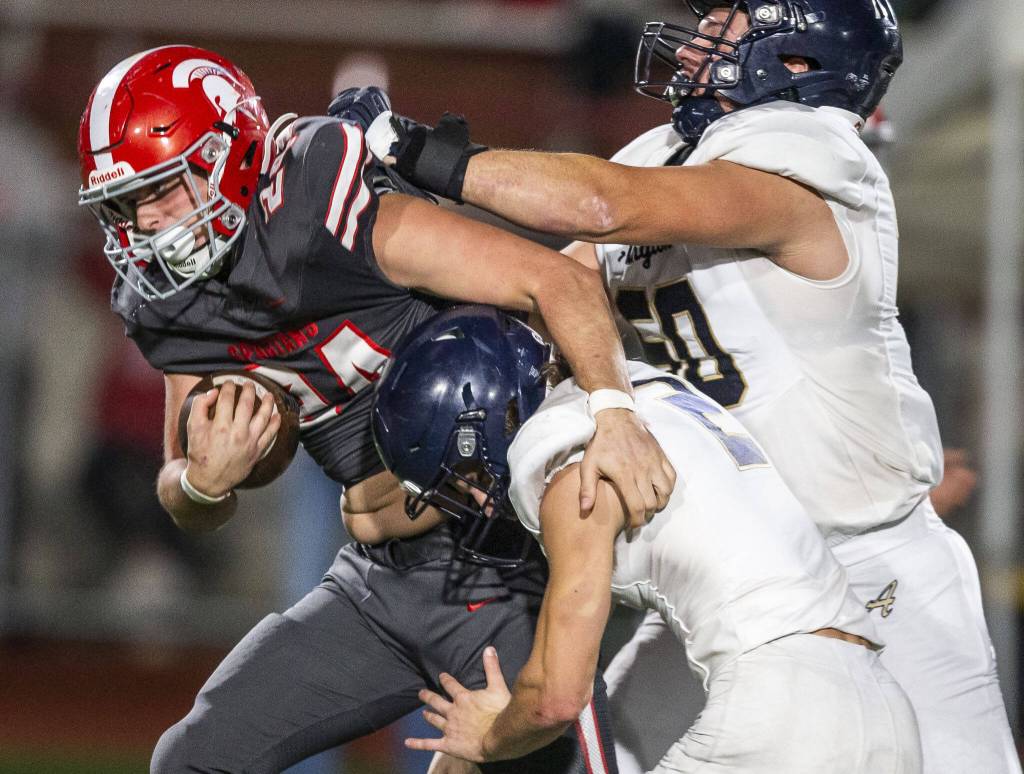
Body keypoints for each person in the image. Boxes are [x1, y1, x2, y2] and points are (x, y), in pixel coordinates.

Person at [340, 2, 1020, 772]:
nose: (696, 43)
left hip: (870, 558)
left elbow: (604, 205)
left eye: (729, 27)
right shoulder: (668, 153)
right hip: (744, 569)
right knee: (605, 756)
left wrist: (406, 147)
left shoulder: (815, 157)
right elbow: (548, 284)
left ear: (798, 62)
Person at [76, 45, 676, 773]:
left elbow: (560, 282)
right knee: (192, 759)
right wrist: (205, 483)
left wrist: (614, 412)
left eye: (163, 188)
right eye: (125, 203)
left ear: (228, 157)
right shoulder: (172, 301)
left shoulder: (317, 207)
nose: (145, 222)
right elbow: (183, 487)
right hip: (375, 582)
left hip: (500, 570)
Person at [372, 305, 922, 773]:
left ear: (497, 411)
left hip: (782, 711)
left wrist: (488, 737)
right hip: (886, 711)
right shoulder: (649, 401)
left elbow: (557, 700)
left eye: (467, 473)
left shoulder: (573, 467)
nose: (480, 499)